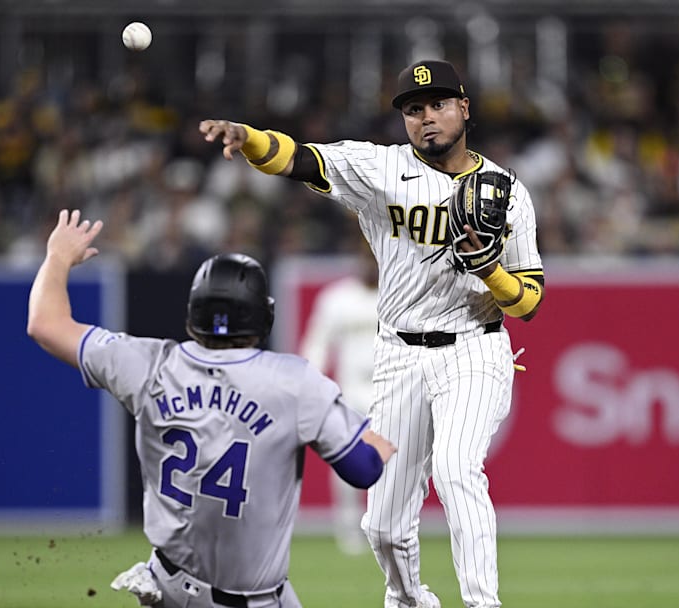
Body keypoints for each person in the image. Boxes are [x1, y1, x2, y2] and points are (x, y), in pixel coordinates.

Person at [199, 59, 545, 608]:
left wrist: (490, 271)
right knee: (381, 524)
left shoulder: (507, 191)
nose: (426, 118)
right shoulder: (380, 169)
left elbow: (528, 300)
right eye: (413, 109)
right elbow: (299, 158)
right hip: (399, 356)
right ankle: (409, 599)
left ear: (464, 108)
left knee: (457, 472)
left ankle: (484, 603)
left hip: (474, 348)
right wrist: (249, 138)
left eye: (437, 105)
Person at [26, 209, 398, 608]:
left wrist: (58, 257)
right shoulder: (294, 383)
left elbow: (44, 324)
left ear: (192, 316)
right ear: (263, 316)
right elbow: (363, 469)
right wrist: (383, 439)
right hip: (252, 599)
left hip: (167, 587)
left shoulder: (146, 364)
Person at [298, 235, 379, 555]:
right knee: (349, 461)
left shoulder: (399, 294)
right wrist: (313, 381)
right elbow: (317, 342)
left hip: (392, 391)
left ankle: (389, 526)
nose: (370, 263)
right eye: (365, 256)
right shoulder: (337, 298)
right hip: (350, 392)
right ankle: (348, 528)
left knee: (396, 465)